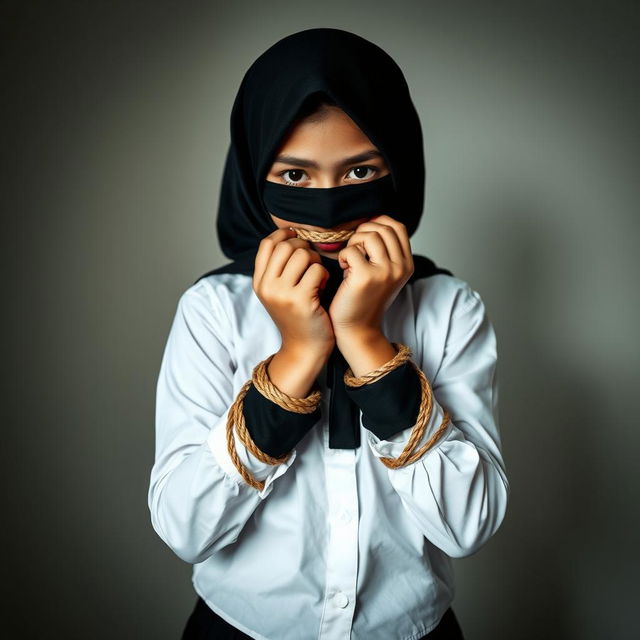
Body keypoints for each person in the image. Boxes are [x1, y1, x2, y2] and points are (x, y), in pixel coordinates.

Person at [148, 28, 509, 640]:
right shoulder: (212, 310)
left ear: (397, 166)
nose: (330, 209)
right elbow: (187, 531)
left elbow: (467, 526)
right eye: (293, 176)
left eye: (360, 170)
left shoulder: (448, 308)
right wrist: (298, 354)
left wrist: (367, 342)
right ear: (254, 170)